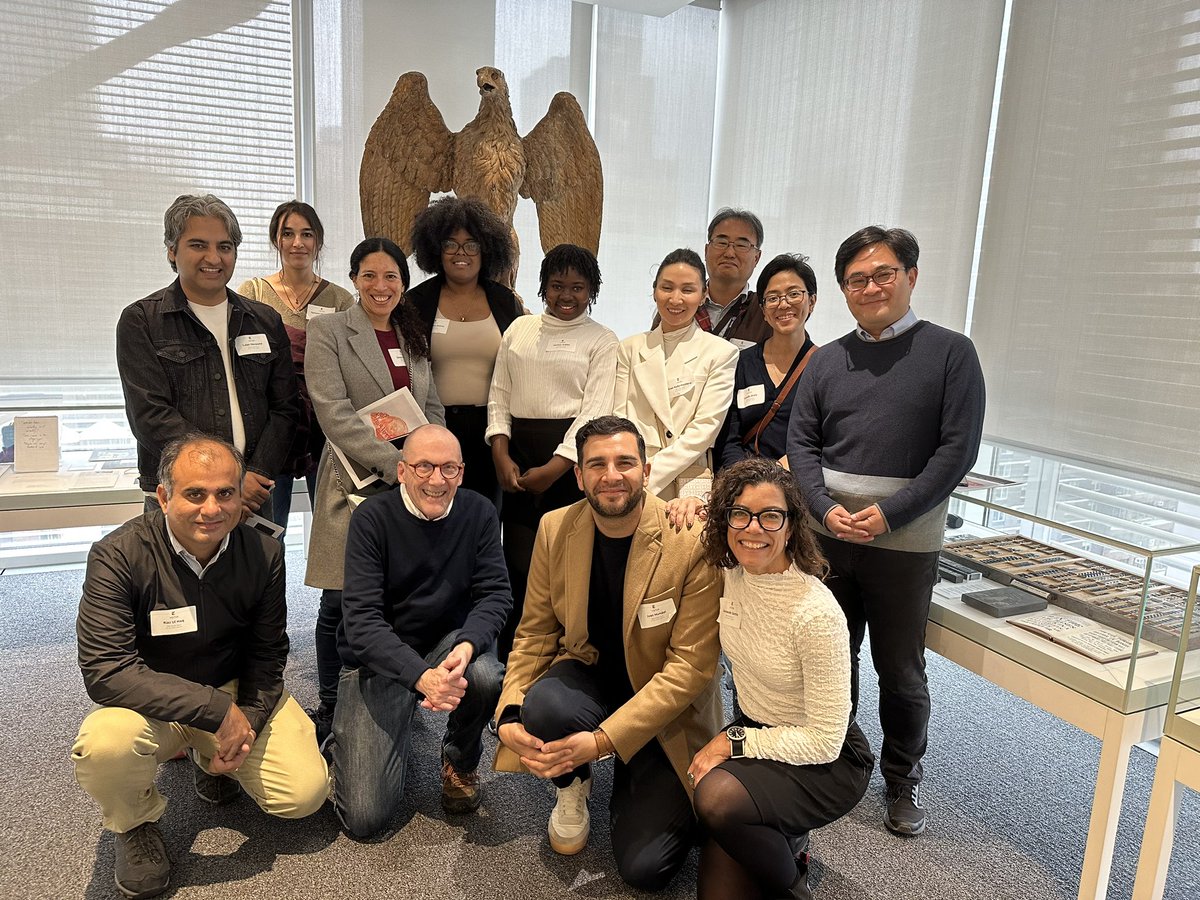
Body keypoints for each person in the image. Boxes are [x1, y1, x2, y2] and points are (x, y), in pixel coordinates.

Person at [786, 226, 986, 836]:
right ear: (843, 290)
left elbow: (957, 451)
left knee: (900, 669)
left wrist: (892, 512)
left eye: (883, 274)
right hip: (829, 539)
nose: (870, 287)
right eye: (856, 279)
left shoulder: (952, 353)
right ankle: (841, 757)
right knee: (830, 657)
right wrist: (821, 508)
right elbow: (802, 444)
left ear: (911, 277)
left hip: (904, 543)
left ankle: (902, 780)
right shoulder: (826, 359)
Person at [71, 435, 328, 900]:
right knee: (106, 746)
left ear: (240, 494)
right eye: (195, 494)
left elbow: (267, 655)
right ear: (164, 496)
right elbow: (106, 669)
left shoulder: (264, 555)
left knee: (303, 794)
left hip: (231, 692)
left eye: (225, 493)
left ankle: (210, 756)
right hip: (150, 701)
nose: (212, 509)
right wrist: (213, 711)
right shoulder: (118, 554)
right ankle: (136, 824)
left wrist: (244, 720)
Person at [494, 416, 722, 892]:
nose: (611, 475)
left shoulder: (690, 539)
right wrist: (509, 710)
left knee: (646, 870)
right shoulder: (555, 528)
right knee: (543, 707)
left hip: (664, 709)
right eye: (596, 464)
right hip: (590, 676)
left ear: (647, 469)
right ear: (579, 475)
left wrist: (602, 742)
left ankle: (624, 764)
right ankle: (572, 786)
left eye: (625, 462)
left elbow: (690, 671)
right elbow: (535, 632)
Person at [687, 458, 873, 900]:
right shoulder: (732, 575)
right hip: (757, 733)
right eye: (740, 514)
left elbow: (825, 740)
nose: (754, 528)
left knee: (714, 799)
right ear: (726, 522)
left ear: (791, 526)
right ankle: (782, 835)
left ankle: (794, 882)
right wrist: (686, 502)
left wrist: (731, 742)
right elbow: (691, 508)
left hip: (825, 760)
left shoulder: (817, 613)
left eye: (771, 516)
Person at [331, 424, 510, 836]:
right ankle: (340, 738)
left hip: (446, 648)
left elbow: (495, 596)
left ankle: (459, 761)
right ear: (401, 471)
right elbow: (361, 622)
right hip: (381, 661)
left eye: (449, 469)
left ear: (462, 473)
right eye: (424, 467)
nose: (436, 480)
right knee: (365, 818)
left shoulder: (480, 512)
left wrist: (467, 646)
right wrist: (421, 678)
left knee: (484, 674)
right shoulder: (371, 519)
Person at [304, 237, 446, 740]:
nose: (380, 286)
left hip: (410, 487)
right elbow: (333, 413)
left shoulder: (413, 332)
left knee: (392, 600)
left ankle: (391, 694)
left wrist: (435, 462)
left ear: (403, 283)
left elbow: (432, 407)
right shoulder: (328, 331)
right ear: (353, 279)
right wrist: (398, 464)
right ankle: (328, 705)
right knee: (340, 600)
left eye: (391, 277)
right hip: (353, 481)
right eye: (369, 276)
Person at [116, 193, 299, 519]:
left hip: (254, 496)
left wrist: (254, 475)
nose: (213, 257)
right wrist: (229, 479)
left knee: (260, 571)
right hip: (179, 496)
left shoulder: (265, 320)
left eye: (224, 247)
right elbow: (150, 416)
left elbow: (285, 408)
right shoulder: (141, 321)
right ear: (172, 251)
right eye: (198, 245)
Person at [486, 244, 618, 661]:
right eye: (557, 285)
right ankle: (516, 660)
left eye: (577, 287)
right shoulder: (518, 331)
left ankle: (566, 659)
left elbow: (594, 411)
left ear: (592, 291)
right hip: (517, 459)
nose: (566, 296)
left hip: (571, 465)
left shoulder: (602, 340)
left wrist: (557, 467)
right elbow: (499, 395)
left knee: (568, 568)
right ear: (543, 286)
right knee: (519, 565)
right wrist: (500, 452)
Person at [238, 201, 354, 533]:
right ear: (276, 240)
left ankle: (332, 589)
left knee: (333, 531)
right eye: (287, 234)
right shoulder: (253, 293)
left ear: (318, 241)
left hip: (326, 429)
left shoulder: (340, 300)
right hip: (270, 427)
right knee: (266, 530)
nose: (297, 243)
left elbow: (348, 366)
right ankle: (268, 587)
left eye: (306, 234)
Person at [406, 196, 525, 509]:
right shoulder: (417, 302)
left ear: (486, 250)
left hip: (492, 433)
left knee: (485, 519)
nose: (461, 253)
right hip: (433, 426)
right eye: (451, 244)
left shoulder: (505, 302)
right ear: (436, 248)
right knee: (434, 518)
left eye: (471, 244)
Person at [615, 249, 739, 500]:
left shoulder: (721, 352)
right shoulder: (630, 347)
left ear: (703, 294)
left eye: (687, 290)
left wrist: (651, 475)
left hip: (686, 476)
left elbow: (705, 429)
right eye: (667, 288)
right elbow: (619, 417)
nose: (675, 299)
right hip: (632, 472)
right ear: (654, 290)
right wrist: (632, 469)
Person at [718, 253, 819, 471]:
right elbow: (728, 438)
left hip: (799, 484)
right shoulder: (742, 363)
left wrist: (780, 472)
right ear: (763, 310)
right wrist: (744, 479)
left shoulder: (824, 366)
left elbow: (824, 439)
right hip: (742, 482)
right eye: (773, 298)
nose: (783, 304)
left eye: (794, 294)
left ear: (811, 301)